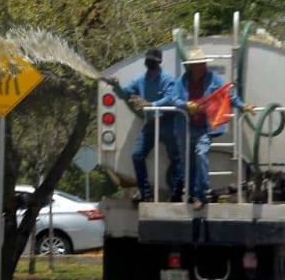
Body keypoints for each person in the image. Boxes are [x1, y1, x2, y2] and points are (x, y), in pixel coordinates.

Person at [168, 47, 254, 210]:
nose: (202, 66)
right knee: (187, 163)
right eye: (199, 64)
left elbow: (227, 94)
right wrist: (186, 105)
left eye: (203, 63)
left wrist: (242, 106)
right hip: (184, 128)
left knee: (201, 154)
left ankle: (201, 195)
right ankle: (193, 195)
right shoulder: (182, 81)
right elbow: (173, 98)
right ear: (192, 66)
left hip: (203, 128)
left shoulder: (213, 79)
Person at [107, 48, 180, 202]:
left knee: (176, 157)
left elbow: (171, 98)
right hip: (151, 124)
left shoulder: (167, 79)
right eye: (148, 59)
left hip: (167, 122)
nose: (150, 62)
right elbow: (124, 94)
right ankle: (145, 192)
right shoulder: (140, 80)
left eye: (153, 60)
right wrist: (116, 86)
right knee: (137, 155)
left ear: (159, 62)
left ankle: (177, 193)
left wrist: (151, 104)